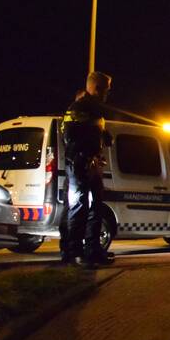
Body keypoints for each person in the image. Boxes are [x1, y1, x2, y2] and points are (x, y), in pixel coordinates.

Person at [61, 71, 114, 267]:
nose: (108, 93)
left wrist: (104, 137)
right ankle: (74, 252)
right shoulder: (79, 107)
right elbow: (69, 135)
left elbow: (94, 129)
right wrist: (82, 155)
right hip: (79, 164)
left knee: (96, 207)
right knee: (79, 207)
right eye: (107, 89)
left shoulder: (96, 110)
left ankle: (93, 250)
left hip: (93, 164)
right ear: (97, 89)